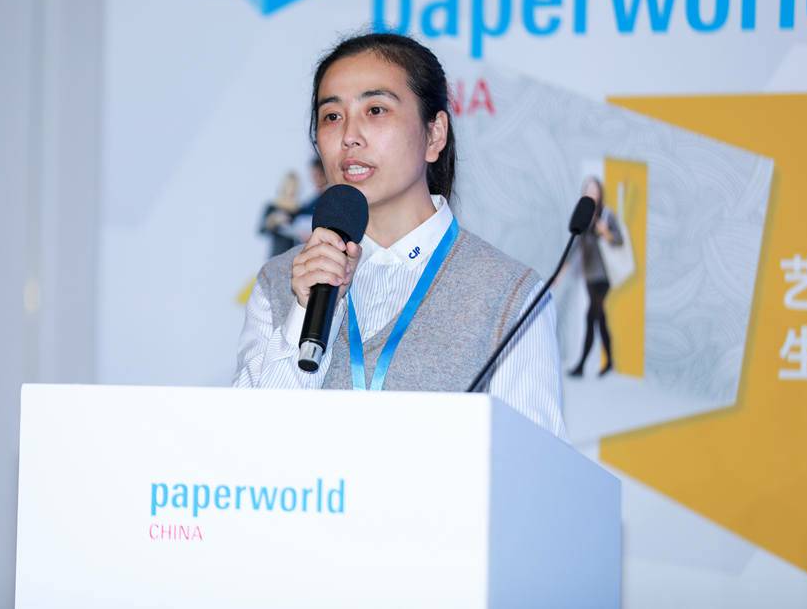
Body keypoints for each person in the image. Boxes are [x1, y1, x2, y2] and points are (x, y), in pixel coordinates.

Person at [233, 33, 567, 440]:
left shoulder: (508, 294)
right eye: (332, 116)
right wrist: (304, 312)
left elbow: (533, 465)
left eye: (375, 110)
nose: (349, 136)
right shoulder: (278, 282)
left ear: (434, 135)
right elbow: (244, 448)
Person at [567, 177, 623, 378]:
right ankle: (610, 362)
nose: (591, 192)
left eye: (594, 189)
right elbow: (575, 246)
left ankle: (581, 365)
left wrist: (605, 232)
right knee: (600, 318)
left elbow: (619, 240)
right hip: (589, 274)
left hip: (604, 275)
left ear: (600, 192)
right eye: (588, 189)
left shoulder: (607, 215)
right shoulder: (584, 215)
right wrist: (561, 272)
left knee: (591, 316)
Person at [258, 171, 301, 258]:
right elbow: (261, 230)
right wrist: (273, 220)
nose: (292, 189)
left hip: (295, 256)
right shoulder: (272, 207)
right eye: (289, 185)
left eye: (294, 186)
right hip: (276, 255)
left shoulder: (299, 209)